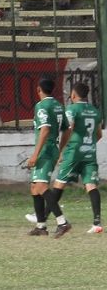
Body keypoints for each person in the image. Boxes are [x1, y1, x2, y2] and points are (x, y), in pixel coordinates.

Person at [53, 83, 103, 234]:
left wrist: (61, 150)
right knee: (91, 185)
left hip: (73, 152)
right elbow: (99, 134)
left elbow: (69, 129)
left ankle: (41, 216)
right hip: (90, 152)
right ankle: (97, 223)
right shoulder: (95, 111)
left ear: (73, 95)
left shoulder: (72, 109)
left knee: (59, 183)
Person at [26, 78, 71, 238]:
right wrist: (60, 150)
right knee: (34, 187)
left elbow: (44, 129)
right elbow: (67, 130)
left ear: (39, 89)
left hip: (45, 151)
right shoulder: (59, 106)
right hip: (52, 150)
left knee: (41, 186)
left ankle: (62, 222)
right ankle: (41, 226)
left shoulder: (41, 106)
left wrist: (35, 155)